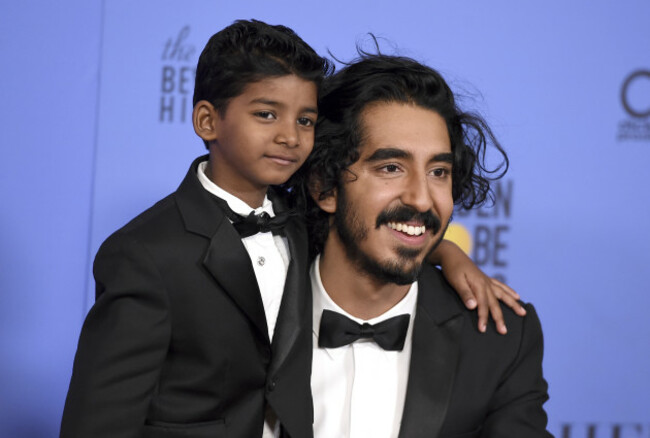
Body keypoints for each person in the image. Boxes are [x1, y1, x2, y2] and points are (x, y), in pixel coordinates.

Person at [61, 20, 524, 438]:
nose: (289, 136)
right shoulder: (147, 252)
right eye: (267, 115)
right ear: (207, 119)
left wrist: (449, 255)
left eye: (304, 121)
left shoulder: (296, 216)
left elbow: (388, 226)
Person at [291, 53, 552, 437]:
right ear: (325, 187)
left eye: (438, 172)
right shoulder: (253, 308)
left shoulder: (500, 340)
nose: (422, 199)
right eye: (391, 168)